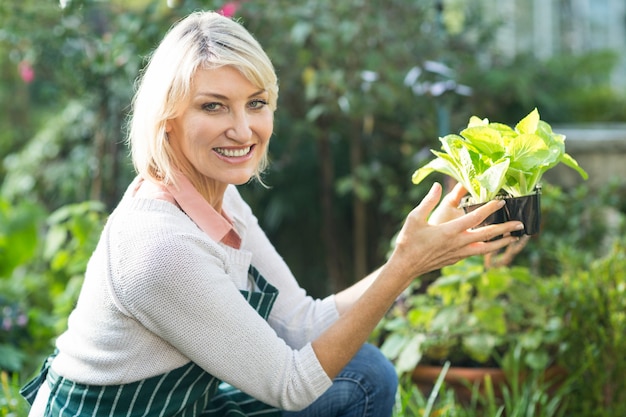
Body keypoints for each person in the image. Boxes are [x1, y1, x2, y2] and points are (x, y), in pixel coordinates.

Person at [21, 10, 524, 417]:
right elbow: (292, 386)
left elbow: (303, 322)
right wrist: (403, 269)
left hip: (178, 408)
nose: (242, 130)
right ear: (167, 120)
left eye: (255, 103)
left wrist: (409, 258)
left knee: (362, 375)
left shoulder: (219, 197)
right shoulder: (162, 246)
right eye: (213, 107)